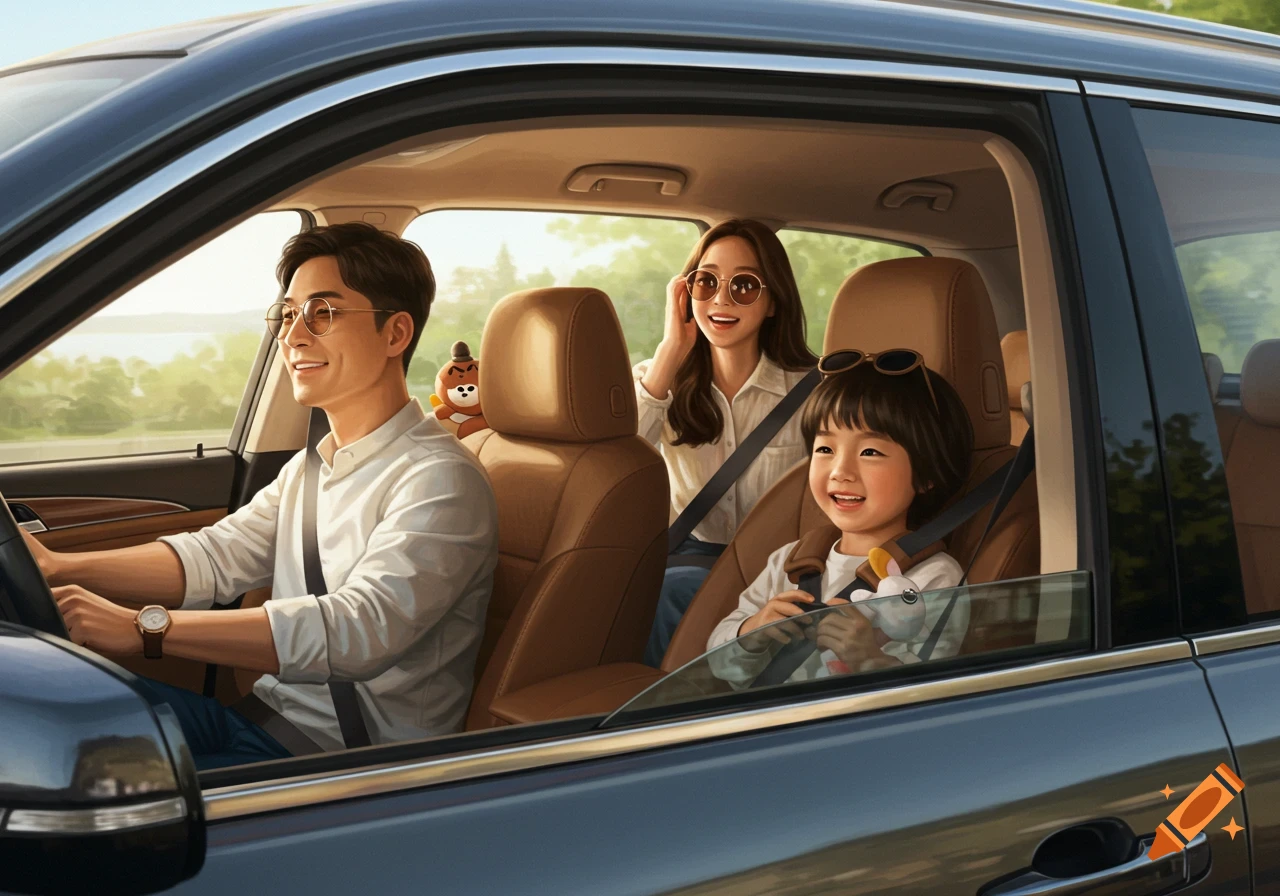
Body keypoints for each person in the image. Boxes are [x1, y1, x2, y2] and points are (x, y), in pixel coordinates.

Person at [22, 222, 499, 770]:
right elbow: (216, 557)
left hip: (344, 766)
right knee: (38, 721)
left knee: (70, 783)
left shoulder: (440, 481)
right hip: (259, 720)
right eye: (289, 314)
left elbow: (360, 629)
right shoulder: (313, 466)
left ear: (395, 334)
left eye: (323, 313)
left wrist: (146, 628)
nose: (293, 336)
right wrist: (57, 568)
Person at [706, 349, 974, 685]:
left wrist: (869, 658)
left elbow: (930, 694)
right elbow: (716, 662)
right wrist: (754, 630)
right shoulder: (792, 562)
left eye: (870, 452)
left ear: (925, 475)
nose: (840, 471)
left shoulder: (933, 578)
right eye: (825, 449)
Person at [635, 219, 817, 667]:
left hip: (781, 560)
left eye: (745, 285)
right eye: (707, 281)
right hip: (690, 552)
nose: (721, 298)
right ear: (685, 291)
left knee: (670, 591)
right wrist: (671, 348)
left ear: (774, 301)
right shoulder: (657, 379)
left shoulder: (815, 391)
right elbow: (618, 469)